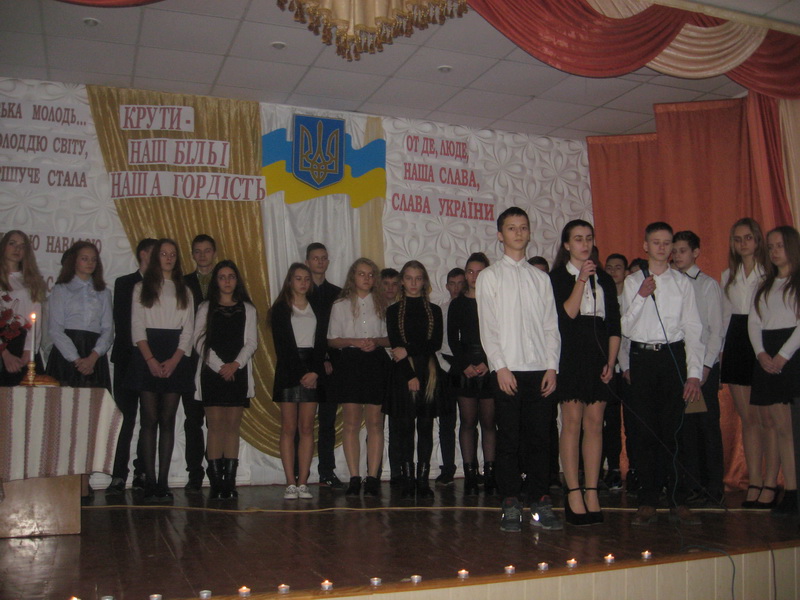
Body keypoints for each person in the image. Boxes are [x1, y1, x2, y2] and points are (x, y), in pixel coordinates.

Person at [477, 207, 562, 532]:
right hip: (507, 370)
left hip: (539, 370)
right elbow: (489, 327)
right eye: (511, 228)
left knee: (541, 438)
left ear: (529, 232)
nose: (518, 233)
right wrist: (499, 367)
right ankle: (510, 501)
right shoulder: (490, 276)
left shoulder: (540, 278)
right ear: (501, 235)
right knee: (509, 438)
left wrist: (552, 367)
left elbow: (551, 326)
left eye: (523, 227)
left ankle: (540, 500)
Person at [621, 222, 703, 526]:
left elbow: (693, 328)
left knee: (675, 431)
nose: (661, 248)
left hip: (672, 357)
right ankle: (647, 499)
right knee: (645, 431)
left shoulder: (682, 283)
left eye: (666, 243)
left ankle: (678, 499)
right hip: (643, 357)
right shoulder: (633, 282)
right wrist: (642, 296)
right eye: (656, 242)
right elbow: (625, 327)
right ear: (645, 246)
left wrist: (694, 374)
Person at [549, 221, 620, 525]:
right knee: (572, 422)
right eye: (578, 239)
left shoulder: (604, 279)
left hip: (599, 356)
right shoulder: (557, 278)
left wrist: (611, 362)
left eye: (589, 238)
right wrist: (580, 280)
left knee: (595, 424)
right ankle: (573, 491)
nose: (584, 244)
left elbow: (614, 325)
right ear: (566, 245)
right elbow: (566, 315)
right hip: (571, 355)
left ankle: (592, 490)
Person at [127, 238, 195, 503]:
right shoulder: (141, 287)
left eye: (172, 254)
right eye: (164, 253)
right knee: (149, 420)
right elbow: (137, 326)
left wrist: (175, 360)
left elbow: (188, 330)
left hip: (175, 354)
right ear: (155, 257)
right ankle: (150, 481)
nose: (168, 258)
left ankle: (164, 481)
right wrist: (151, 360)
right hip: (148, 353)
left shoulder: (184, 290)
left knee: (168, 420)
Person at [720, 218, 774, 508]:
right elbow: (725, 317)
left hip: (764, 340)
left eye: (748, 238)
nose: (743, 244)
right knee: (748, 420)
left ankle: (770, 483)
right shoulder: (728, 274)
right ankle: (754, 480)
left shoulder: (770, 272)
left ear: (757, 240)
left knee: (768, 420)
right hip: (737, 342)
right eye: (738, 239)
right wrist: (721, 352)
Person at [194, 260, 257, 500]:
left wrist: (235, 365)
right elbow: (199, 341)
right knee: (215, 427)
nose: (227, 281)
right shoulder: (205, 307)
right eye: (222, 277)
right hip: (213, 373)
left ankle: (229, 481)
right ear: (216, 281)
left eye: (231, 276)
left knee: (232, 427)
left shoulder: (247, 308)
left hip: (237, 373)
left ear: (237, 280)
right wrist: (220, 366)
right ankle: (216, 482)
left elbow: (251, 342)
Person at [327, 258, 391, 497]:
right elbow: (332, 340)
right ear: (353, 277)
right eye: (362, 274)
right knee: (351, 422)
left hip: (376, 362)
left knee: (375, 423)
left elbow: (390, 338)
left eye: (371, 274)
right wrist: (353, 341)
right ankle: (354, 477)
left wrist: (375, 341)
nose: (366, 278)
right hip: (350, 363)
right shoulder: (340, 305)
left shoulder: (383, 304)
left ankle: (372, 477)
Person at [748, 226, 800, 516]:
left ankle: (793, 491)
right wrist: (761, 353)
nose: (774, 251)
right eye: (770, 247)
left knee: (790, 428)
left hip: (791, 353)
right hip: (768, 352)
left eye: (779, 245)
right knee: (779, 427)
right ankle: (788, 489)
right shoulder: (764, 284)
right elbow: (754, 321)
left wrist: (782, 355)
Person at [385, 260, 447, 499]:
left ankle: (422, 480)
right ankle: (408, 479)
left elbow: (435, 344)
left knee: (425, 427)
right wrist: (409, 374)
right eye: (409, 278)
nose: (413, 283)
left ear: (424, 282)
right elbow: (396, 346)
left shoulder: (434, 311)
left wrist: (409, 350)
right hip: (403, 373)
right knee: (404, 428)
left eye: (418, 278)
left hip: (428, 373)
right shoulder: (393, 311)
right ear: (402, 281)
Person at [672, 231, 725, 507]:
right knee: (686, 429)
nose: (677, 255)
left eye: (682, 250)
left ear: (695, 253)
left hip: (702, 367)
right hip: (680, 365)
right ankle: (692, 483)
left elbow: (716, 330)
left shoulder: (707, 285)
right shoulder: (671, 283)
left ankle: (714, 485)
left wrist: (705, 366)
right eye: (674, 250)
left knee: (706, 426)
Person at [271, 263, 327, 500]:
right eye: (298, 278)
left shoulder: (318, 306)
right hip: (288, 370)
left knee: (306, 428)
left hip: (312, 369)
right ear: (289, 281)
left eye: (306, 279)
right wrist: (301, 373)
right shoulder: (279, 309)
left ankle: (303, 482)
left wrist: (315, 372)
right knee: (288, 427)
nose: (303, 283)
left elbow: (322, 342)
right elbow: (282, 347)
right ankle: (290, 483)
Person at [106, 238, 157, 495]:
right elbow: (122, 322)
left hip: (152, 360)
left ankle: (143, 472)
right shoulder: (125, 283)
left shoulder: (163, 284)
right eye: (155, 252)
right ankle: (118, 475)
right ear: (143, 254)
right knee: (125, 418)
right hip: (128, 359)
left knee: (150, 418)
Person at [448, 253, 495, 495]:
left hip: (490, 365)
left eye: (479, 271)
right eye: (470, 271)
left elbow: (500, 335)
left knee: (489, 423)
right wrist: (464, 364)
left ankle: (490, 474)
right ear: (465, 274)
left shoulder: (495, 300)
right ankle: (469, 475)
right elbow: (452, 339)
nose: (474, 276)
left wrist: (488, 362)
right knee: (467, 422)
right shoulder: (457, 303)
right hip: (464, 367)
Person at [45, 241, 112, 390]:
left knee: (92, 401)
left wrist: (93, 358)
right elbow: (55, 329)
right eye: (84, 259)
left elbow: (108, 329)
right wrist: (76, 359)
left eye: (93, 259)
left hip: (93, 352)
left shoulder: (103, 292)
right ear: (74, 261)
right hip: (66, 352)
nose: (90, 263)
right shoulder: (61, 289)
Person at [305, 243, 345, 490]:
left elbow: (338, 331)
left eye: (323, 258)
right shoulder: (299, 290)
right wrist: (317, 361)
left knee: (327, 421)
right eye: (315, 258)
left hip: (331, 366)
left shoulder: (338, 294)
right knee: (303, 423)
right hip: (306, 365)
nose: (320, 262)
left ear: (328, 262)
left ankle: (326, 471)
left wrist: (328, 358)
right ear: (307, 261)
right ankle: (299, 472)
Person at [182, 234, 217, 492]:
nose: (202, 255)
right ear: (192, 254)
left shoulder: (225, 279)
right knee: (193, 419)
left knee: (215, 420)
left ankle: (216, 470)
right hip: (190, 358)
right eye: (198, 251)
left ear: (214, 253)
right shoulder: (183, 283)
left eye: (207, 250)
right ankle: (194, 473)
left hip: (218, 358)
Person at [0, 230, 46, 386]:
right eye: (12, 244)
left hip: (23, 342)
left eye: (22, 246)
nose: (17, 249)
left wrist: (28, 351)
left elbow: (35, 318)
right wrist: (4, 353)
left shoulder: (31, 280)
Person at [435, 267, 465, 487]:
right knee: (446, 422)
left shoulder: (475, 308)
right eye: (452, 284)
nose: (456, 288)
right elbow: (435, 344)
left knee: (471, 420)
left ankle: (474, 467)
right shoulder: (441, 311)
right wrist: (447, 367)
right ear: (446, 286)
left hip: (469, 365)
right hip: (446, 367)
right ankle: (447, 468)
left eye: (460, 283)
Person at [601, 253, 629, 492]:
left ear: (626, 272)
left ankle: (633, 468)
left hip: (629, 369)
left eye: (618, 267)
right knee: (608, 421)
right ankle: (612, 468)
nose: (613, 272)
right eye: (609, 267)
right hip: (609, 369)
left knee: (630, 422)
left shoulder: (634, 296)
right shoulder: (601, 295)